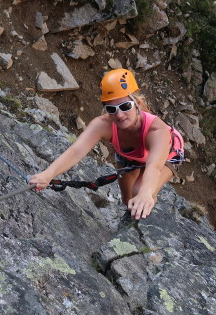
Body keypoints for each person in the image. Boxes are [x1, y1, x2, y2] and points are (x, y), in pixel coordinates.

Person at [29, 69, 184, 220]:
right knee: (128, 199)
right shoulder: (104, 124)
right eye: (111, 109)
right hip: (129, 156)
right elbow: (76, 151)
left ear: (136, 103)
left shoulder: (157, 130)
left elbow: (154, 166)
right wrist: (47, 175)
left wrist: (146, 193)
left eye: (125, 106)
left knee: (140, 193)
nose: (119, 115)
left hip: (167, 155)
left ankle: (146, 231)